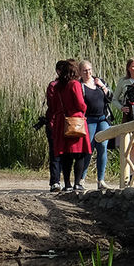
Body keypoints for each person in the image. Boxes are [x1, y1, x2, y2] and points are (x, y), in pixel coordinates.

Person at [43, 59, 88, 192]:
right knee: (80, 153)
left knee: (66, 153)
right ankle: (77, 183)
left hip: (61, 121)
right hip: (75, 121)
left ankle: (67, 184)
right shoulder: (74, 84)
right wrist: (85, 107)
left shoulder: (57, 86)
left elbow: (53, 105)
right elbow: (80, 103)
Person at [78, 60, 114, 190]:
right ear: (80, 72)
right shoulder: (80, 86)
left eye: (89, 70)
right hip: (89, 120)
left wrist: (103, 87)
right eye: (85, 70)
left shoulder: (100, 82)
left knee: (102, 147)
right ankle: (81, 178)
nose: (88, 73)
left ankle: (101, 180)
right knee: (89, 148)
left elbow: (111, 97)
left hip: (103, 119)